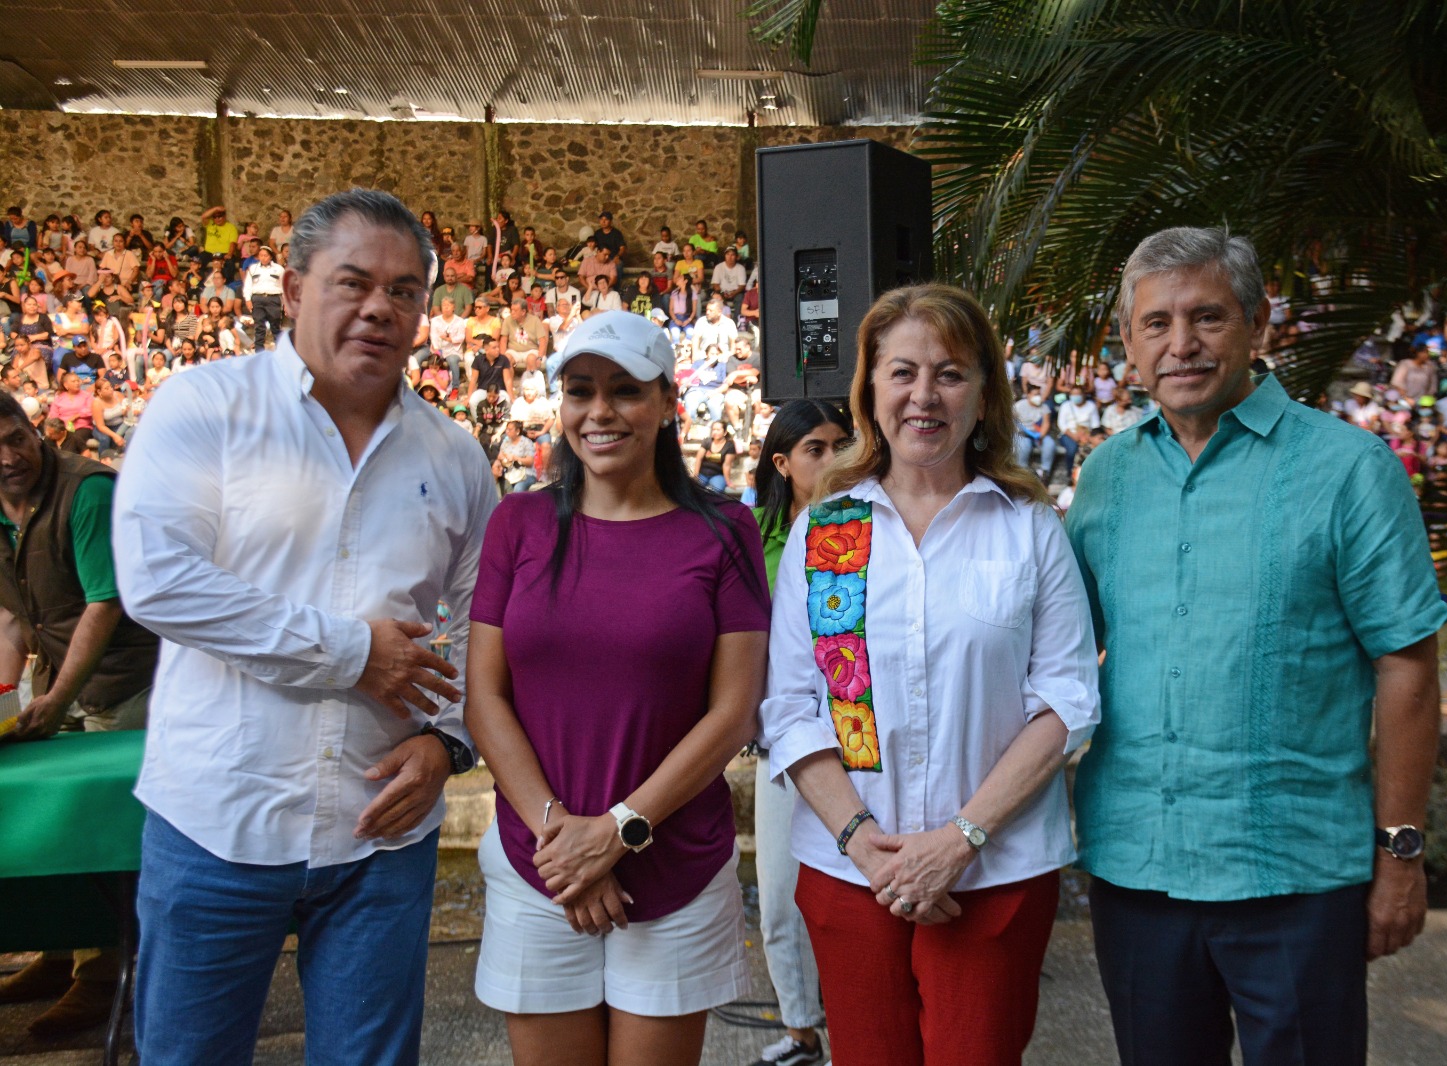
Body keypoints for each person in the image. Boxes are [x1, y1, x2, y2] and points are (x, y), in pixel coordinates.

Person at [112, 189, 497, 1064]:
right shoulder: (205, 408)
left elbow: (480, 622)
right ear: (292, 290)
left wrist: (448, 743)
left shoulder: (453, 454)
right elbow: (159, 582)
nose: (379, 308)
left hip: (380, 833)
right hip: (219, 820)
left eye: (404, 291)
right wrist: (352, 653)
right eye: (353, 282)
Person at [1065, 227, 1447, 1066]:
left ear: (1258, 323)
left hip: (1296, 875)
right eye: (1156, 323)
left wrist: (1401, 853)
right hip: (1137, 868)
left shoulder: (1349, 469)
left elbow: (1408, 666)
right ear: (1128, 341)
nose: (1181, 344)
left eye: (1207, 317)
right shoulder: (1105, 477)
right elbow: (1055, 656)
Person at [759, 283, 1101, 1066]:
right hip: (851, 872)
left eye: (949, 373)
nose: (924, 395)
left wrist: (959, 839)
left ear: (983, 396)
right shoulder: (827, 531)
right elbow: (792, 705)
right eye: (903, 372)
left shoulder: (1027, 529)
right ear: (870, 391)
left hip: (993, 872)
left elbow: (1067, 698)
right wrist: (862, 842)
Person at [465, 310, 767, 1066]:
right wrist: (563, 839)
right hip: (542, 865)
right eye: (580, 391)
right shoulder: (518, 524)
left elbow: (734, 711)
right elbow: (485, 698)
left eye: (625, 390)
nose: (599, 411)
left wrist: (618, 831)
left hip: (675, 865)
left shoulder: (724, 531)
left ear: (667, 403)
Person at [0, 391, 160, 1037]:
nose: (9, 456)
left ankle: (101, 978)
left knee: (101, 828)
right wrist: (7, 698)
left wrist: (58, 698)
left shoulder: (87, 492)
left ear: (34, 428)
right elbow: (11, 617)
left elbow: (104, 603)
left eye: (15, 437)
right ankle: (58, 953)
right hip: (58, 680)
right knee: (48, 824)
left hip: (124, 682)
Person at [748, 399, 852, 1066]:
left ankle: (856, 1036)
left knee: (855, 904)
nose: (833, 458)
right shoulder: (750, 534)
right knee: (781, 900)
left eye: (843, 444)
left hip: (860, 745)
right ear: (783, 463)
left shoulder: (871, 523)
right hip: (782, 742)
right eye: (816, 448)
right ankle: (801, 1031)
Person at [242, 245, 285, 350]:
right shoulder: (253, 268)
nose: (263, 258)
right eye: (261, 255)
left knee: (275, 326)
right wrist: (248, 299)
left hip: (273, 299)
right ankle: (259, 351)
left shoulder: (278, 269)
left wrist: (286, 303)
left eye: (266, 255)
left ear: (270, 256)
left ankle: (281, 350)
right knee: (259, 327)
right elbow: (248, 285)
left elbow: (284, 286)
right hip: (258, 299)